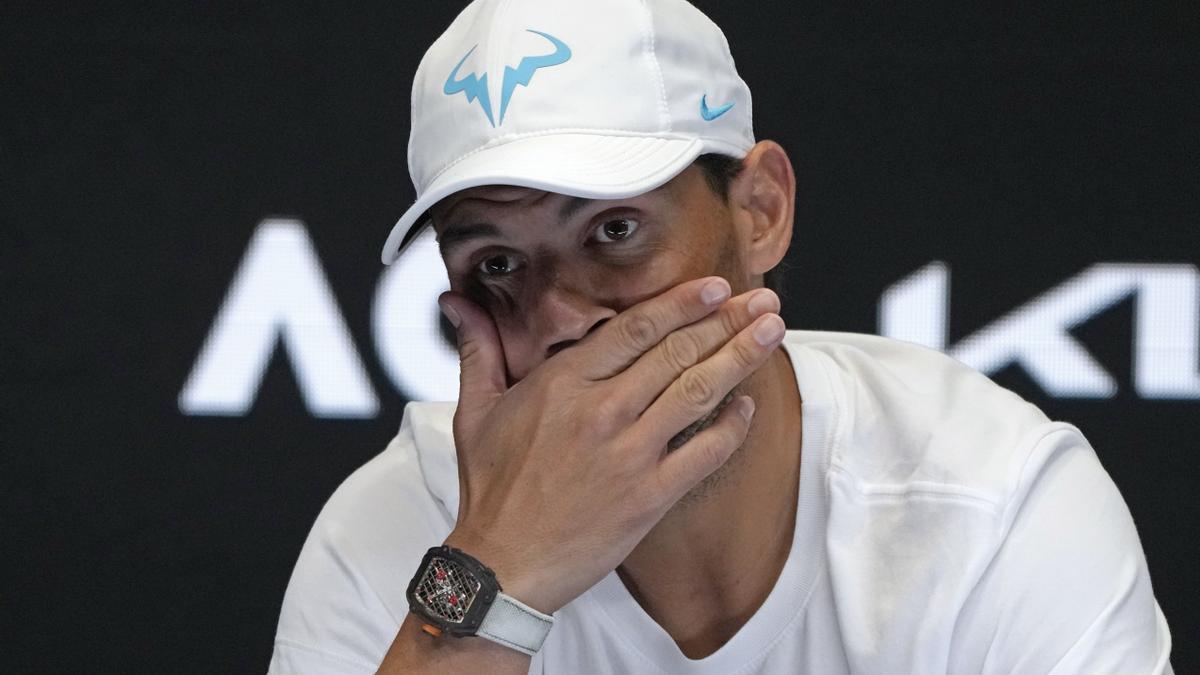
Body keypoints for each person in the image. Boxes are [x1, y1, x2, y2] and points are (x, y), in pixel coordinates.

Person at [268, 0, 1174, 672]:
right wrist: (499, 574)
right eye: (497, 264)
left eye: (614, 232)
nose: (561, 320)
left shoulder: (993, 503)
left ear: (761, 211)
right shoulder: (399, 527)